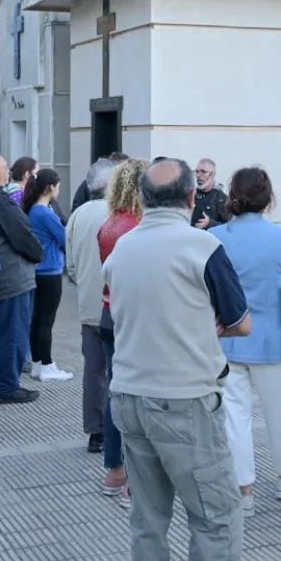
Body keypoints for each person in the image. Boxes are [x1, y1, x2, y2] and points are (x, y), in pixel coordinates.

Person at [105, 158, 257, 561]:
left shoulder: (122, 248)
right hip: (185, 400)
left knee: (148, 519)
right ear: (194, 198)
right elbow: (240, 322)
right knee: (217, 517)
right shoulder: (203, 246)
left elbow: (116, 313)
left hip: (128, 396)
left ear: (143, 199)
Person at [210, 167, 281, 515]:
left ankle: (244, 492)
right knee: (279, 413)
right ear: (267, 199)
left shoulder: (215, 237)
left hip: (227, 337)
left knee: (234, 417)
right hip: (271, 338)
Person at [97, 158, 150, 504]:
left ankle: (114, 471)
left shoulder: (109, 224)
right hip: (134, 317)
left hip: (108, 313)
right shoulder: (139, 227)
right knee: (139, 398)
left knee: (117, 392)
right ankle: (134, 480)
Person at [0, 154, 44, 403]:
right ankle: (7, 386)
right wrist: (38, 254)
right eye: (5, 169)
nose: (8, 172)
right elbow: (22, 234)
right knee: (13, 333)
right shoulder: (0, 201)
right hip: (12, 276)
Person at [67, 158, 116, 452]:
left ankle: (96, 431)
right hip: (117, 304)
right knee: (119, 369)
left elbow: (70, 266)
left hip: (89, 305)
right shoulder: (123, 215)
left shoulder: (78, 214)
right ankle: (117, 428)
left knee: (93, 370)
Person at [23, 168, 74, 382]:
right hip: (50, 270)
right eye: (58, 185)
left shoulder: (35, 210)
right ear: (49, 187)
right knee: (46, 320)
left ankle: (38, 363)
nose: (59, 189)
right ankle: (46, 364)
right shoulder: (44, 212)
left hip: (39, 270)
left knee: (38, 319)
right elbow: (64, 237)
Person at [192, 158, 229, 229]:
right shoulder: (191, 195)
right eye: (196, 172)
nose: (198, 175)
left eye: (203, 172)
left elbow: (230, 227)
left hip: (210, 239)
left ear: (212, 174)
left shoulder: (222, 199)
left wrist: (210, 223)